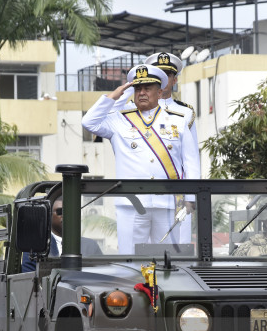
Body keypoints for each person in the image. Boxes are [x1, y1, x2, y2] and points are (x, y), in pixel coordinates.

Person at [82, 64, 201, 254]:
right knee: (130, 261)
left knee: (168, 261)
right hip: (131, 205)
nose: (142, 93)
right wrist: (115, 97)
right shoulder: (119, 119)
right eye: (137, 88)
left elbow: (191, 162)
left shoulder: (178, 120)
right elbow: (89, 122)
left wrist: (191, 199)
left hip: (169, 203)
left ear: (160, 92)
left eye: (147, 88)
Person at [22, 198, 103, 272]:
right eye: (60, 211)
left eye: (70, 212)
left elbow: (102, 274)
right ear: (49, 215)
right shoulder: (36, 247)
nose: (66, 215)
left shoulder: (91, 246)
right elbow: (29, 280)